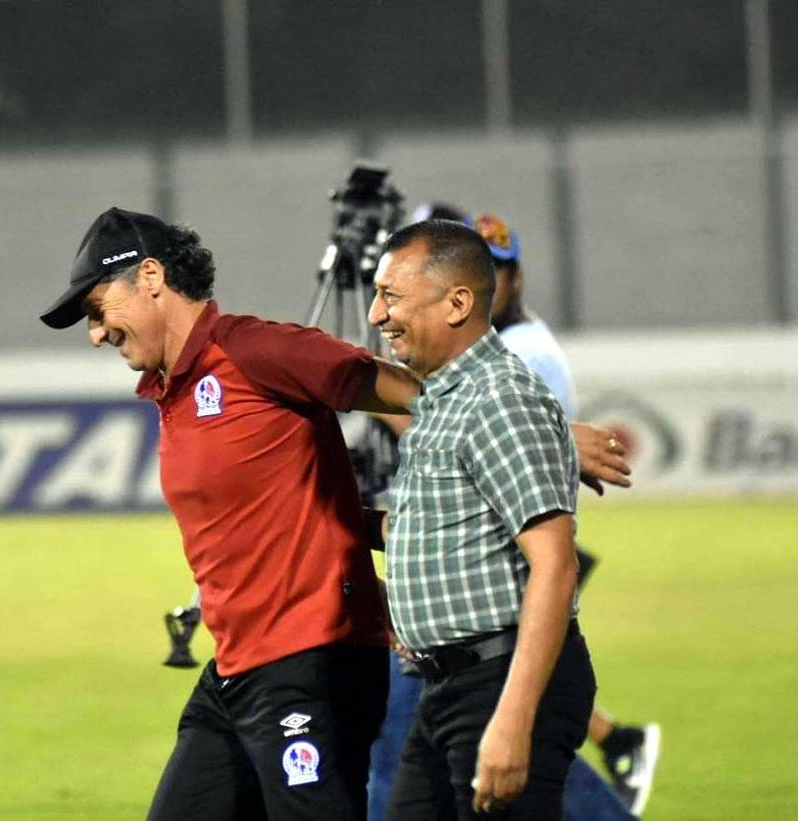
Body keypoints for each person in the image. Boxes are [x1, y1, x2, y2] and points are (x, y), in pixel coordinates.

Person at [40, 207, 630, 821]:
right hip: (235, 668)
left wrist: (554, 434)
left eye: (97, 309)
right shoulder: (172, 390)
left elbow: (408, 389)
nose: (95, 333)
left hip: (309, 665)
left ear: (151, 278)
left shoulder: (254, 350)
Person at [367, 206, 658, 819]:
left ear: (456, 303)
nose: (376, 316)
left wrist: (511, 721)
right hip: (450, 683)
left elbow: (555, 567)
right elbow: (426, 529)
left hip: (494, 683)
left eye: (390, 297)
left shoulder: (500, 395)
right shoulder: (448, 396)